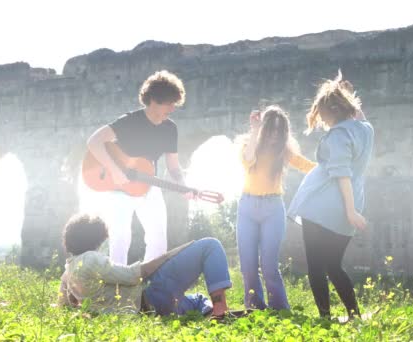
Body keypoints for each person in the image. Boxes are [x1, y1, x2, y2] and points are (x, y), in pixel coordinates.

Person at [287, 72, 374, 319]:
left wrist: (349, 211)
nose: (322, 119)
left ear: (330, 111)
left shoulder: (337, 135)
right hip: (351, 201)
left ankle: (325, 317)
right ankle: (354, 314)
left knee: (316, 265)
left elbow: (341, 174)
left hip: (322, 205)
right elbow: (359, 115)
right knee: (333, 265)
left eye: (323, 114)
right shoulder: (366, 130)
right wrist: (343, 92)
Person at [86, 70, 191, 265]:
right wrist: (115, 171)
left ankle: (149, 287)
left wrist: (183, 186)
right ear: (153, 100)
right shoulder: (129, 121)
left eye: (174, 103)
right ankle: (117, 289)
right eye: (169, 102)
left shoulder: (170, 128)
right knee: (120, 238)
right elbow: (94, 142)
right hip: (120, 188)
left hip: (148, 185)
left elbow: (174, 166)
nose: (172, 108)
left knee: (159, 241)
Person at [58, 214, 232, 317]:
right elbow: (133, 275)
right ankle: (220, 310)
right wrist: (166, 257)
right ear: (92, 238)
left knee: (197, 299)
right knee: (210, 245)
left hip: (154, 310)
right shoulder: (90, 258)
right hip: (152, 294)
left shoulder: (68, 272)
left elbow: (63, 306)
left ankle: (210, 309)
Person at [237, 105, 316, 310]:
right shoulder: (249, 144)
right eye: (270, 129)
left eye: (279, 131)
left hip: (273, 208)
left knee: (269, 265)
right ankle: (254, 307)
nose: (274, 135)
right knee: (248, 266)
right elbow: (248, 160)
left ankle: (280, 309)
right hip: (247, 208)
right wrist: (255, 130)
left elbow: (307, 166)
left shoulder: (284, 152)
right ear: (263, 127)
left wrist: (333, 171)